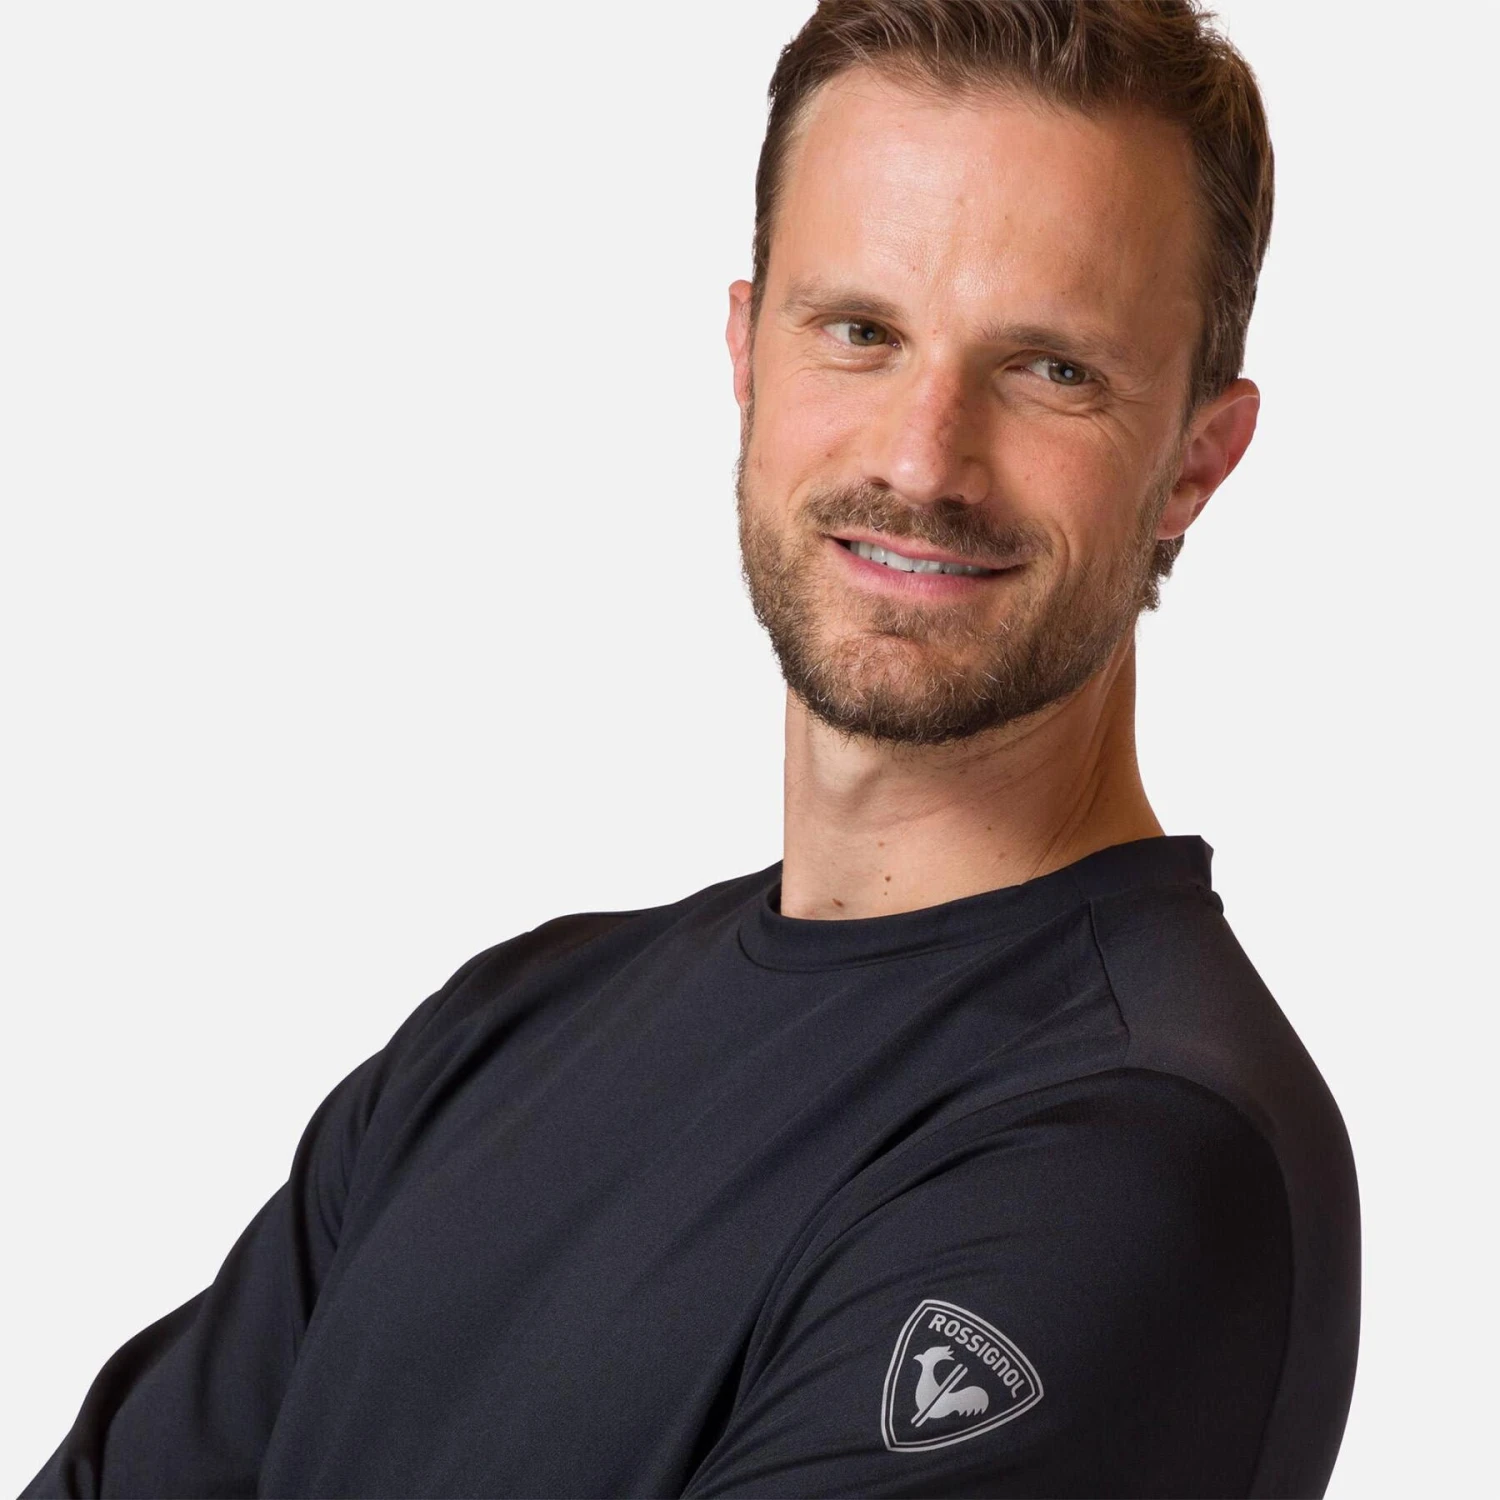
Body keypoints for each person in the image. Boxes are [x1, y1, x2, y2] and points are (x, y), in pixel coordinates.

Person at [24, 1, 1359, 1496]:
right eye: (860, 333)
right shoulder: (508, 1031)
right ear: (747, 351)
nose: (922, 458)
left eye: (1050, 369)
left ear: (1195, 460)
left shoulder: (1129, 1153)